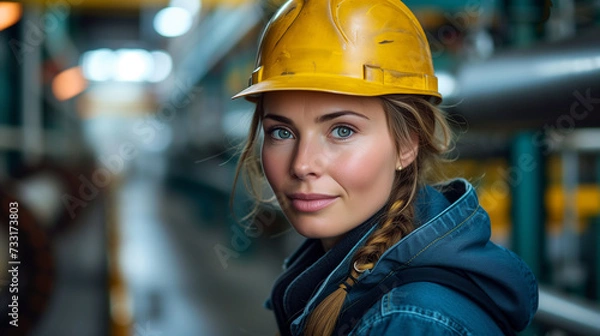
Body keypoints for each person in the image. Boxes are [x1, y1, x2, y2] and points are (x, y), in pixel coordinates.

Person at [231, 0, 539, 335]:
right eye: (282, 132)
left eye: (342, 130)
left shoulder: (410, 321)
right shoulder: (346, 282)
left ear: (407, 144)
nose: (302, 164)